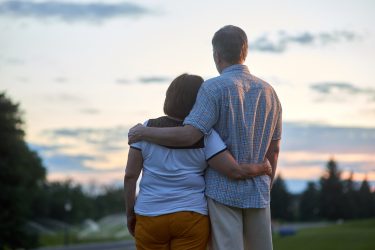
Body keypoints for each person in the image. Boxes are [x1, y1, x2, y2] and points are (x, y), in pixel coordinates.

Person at [128, 25, 282, 250]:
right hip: (258, 191)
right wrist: (265, 183)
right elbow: (274, 149)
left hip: (222, 192)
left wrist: (144, 132)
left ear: (216, 55)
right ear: (245, 51)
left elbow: (190, 134)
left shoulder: (212, 89)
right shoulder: (270, 92)